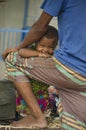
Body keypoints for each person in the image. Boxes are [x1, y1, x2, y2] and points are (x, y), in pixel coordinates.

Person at [2, 0, 86, 130]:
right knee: (73, 124)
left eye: (50, 47)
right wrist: (36, 54)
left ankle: (37, 118)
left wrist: (16, 48)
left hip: (70, 71)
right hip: (81, 82)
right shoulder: (34, 52)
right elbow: (24, 52)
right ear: (36, 44)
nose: (45, 50)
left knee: (11, 58)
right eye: (42, 46)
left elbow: (39, 27)